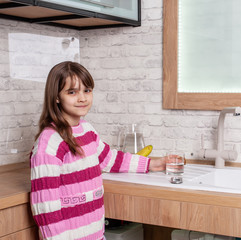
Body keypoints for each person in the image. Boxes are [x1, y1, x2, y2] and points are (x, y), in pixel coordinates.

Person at [30, 61, 165, 240]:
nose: (82, 98)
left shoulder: (87, 130)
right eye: (72, 92)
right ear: (56, 97)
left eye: (87, 90)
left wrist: (151, 163)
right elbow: (46, 208)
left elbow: (109, 158)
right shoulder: (50, 143)